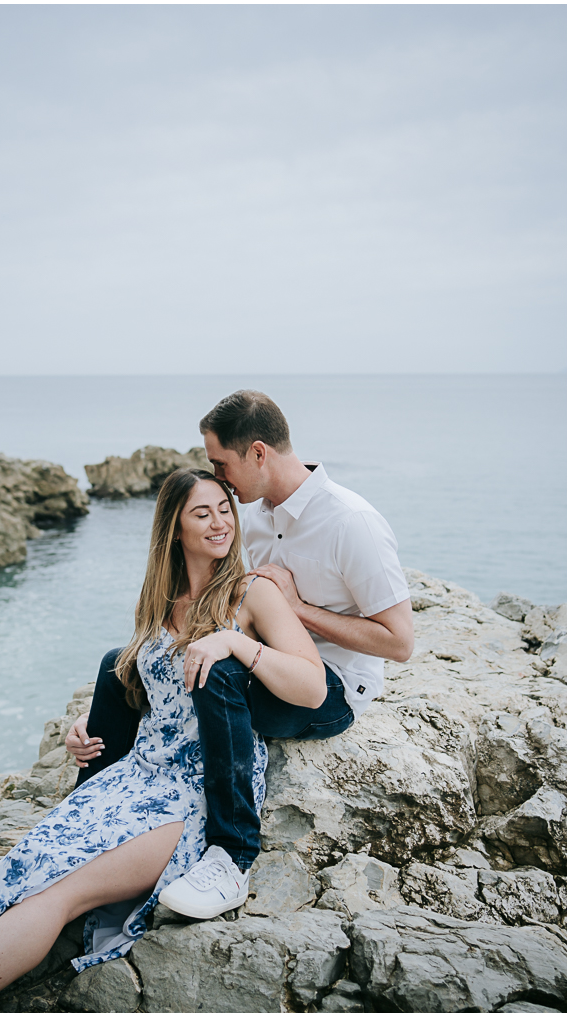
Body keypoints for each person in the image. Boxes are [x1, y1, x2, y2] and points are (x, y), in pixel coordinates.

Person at [0, 468, 326, 1013]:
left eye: (225, 509)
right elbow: (147, 697)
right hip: (130, 778)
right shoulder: (160, 604)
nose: (220, 523)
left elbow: (312, 687)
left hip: (191, 795)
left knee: (55, 895)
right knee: (8, 874)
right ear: (173, 531)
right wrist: (85, 730)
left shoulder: (250, 594)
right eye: (202, 513)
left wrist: (237, 643)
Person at [67, 390, 413, 919]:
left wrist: (300, 610)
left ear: (257, 453)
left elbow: (399, 642)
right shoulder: (248, 515)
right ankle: (84, 815)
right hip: (258, 661)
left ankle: (232, 857)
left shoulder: (350, 522)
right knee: (119, 666)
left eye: (220, 464)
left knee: (220, 671)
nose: (219, 478)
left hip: (328, 687)